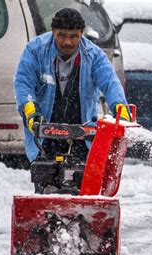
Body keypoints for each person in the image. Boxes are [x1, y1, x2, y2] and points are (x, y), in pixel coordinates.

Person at [14, 8, 131, 163]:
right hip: (44, 134)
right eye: (62, 35)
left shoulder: (94, 56)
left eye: (73, 36)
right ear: (53, 31)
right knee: (46, 178)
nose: (67, 42)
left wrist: (120, 108)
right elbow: (23, 84)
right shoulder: (35, 50)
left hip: (84, 133)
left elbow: (111, 84)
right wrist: (30, 111)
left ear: (81, 33)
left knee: (83, 183)